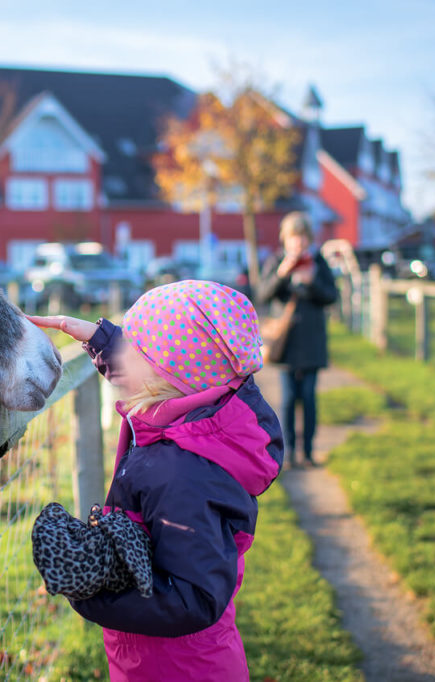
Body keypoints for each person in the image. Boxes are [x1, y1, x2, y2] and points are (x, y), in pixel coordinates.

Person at [29, 279, 284, 682]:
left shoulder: (180, 472)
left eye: (133, 350)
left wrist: (93, 593)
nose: (124, 358)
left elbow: (193, 598)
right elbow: (172, 368)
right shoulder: (190, 422)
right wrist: (102, 340)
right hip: (166, 657)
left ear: (163, 377)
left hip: (178, 668)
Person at [256, 211, 338, 468]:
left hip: (312, 341)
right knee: (289, 399)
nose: (299, 243)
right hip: (286, 344)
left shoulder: (318, 262)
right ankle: (289, 452)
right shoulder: (276, 261)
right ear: (285, 239)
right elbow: (262, 295)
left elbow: (331, 296)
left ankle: (309, 451)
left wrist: (312, 282)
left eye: (303, 238)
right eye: (294, 238)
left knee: (310, 399)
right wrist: (281, 274)